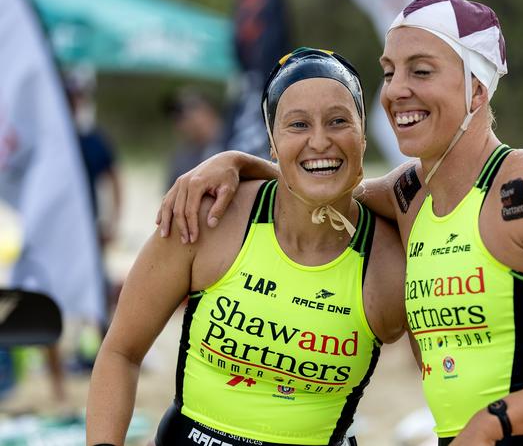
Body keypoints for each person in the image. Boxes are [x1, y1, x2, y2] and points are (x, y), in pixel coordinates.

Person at [156, 0, 523, 445]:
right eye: (389, 71)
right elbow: (321, 184)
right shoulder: (407, 195)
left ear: (477, 90)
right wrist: (235, 163)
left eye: (421, 70)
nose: (395, 91)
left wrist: (495, 420)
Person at [86, 48, 407, 446]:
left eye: (339, 121)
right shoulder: (207, 218)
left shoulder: (391, 262)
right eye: (298, 124)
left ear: (363, 135)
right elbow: (121, 352)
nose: (319, 140)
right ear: (272, 141)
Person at [164, 88, 227, 190]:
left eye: (183, 116)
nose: (179, 125)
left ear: (207, 111)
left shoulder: (237, 143)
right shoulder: (181, 157)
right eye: (176, 119)